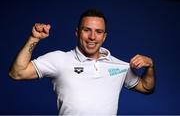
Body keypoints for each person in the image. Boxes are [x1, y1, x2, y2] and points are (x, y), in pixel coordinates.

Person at [9, 9, 155, 115]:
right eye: (87, 30)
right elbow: (17, 73)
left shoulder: (119, 66)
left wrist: (150, 66)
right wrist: (34, 39)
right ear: (77, 32)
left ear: (104, 37)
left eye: (98, 32)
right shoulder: (59, 59)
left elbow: (147, 88)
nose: (92, 37)